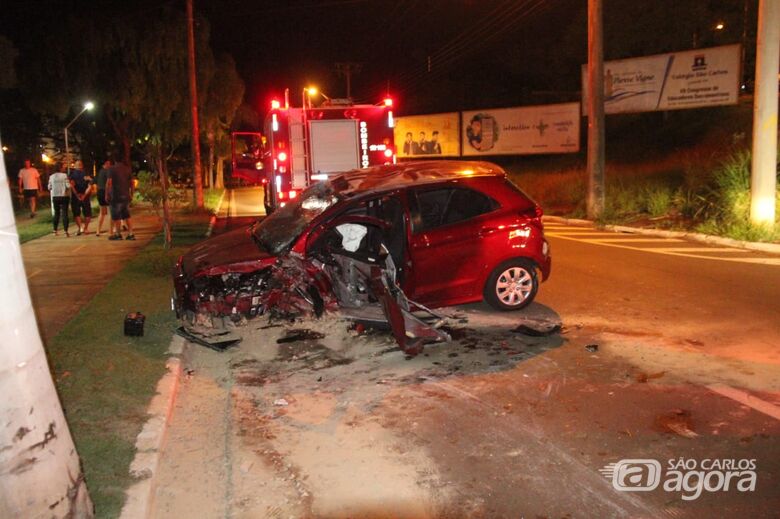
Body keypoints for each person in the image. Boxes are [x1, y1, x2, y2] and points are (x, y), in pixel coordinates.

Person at [105, 159, 135, 241]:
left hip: (115, 196)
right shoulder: (127, 169)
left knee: (116, 216)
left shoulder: (111, 169)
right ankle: (131, 233)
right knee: (126, 215)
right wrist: (131, 194)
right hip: (125, 195)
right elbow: (132, 183)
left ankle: (118, 234)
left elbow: (109, 183)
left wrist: (107, 194)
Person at [68, 160, 93, 235]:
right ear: (82, 166)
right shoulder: (86, 174)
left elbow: (71, 185)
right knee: (87, 213)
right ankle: (86, 228)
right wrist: (84, 195)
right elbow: (90, 186)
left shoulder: (71, 174)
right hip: (85, 196)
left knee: (76, 213)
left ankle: (80, 228)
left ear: (75, 166)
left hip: (76, 197)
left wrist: (77, 195)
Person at [48, 163, 71, 236]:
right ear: (60, 168)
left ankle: (55, 230)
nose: (64, 168)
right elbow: (68, 185)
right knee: (65, 213)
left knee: (56, 213)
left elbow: (49, 187)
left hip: (55, 196)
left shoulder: (51, 176)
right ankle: (65, 231)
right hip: (64, 196)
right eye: (63, 167)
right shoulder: (64, 176)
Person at [95, 159, 112, 236]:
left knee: (101, 213)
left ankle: (98, 231)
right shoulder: (108, 172)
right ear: (105, 164)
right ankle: (110, 230)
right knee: (110, 213)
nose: (110, 165)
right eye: (108, 163)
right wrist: (108, 194)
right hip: (106, 192)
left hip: (99, 192)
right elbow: (108, 184)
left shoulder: (100, 172)